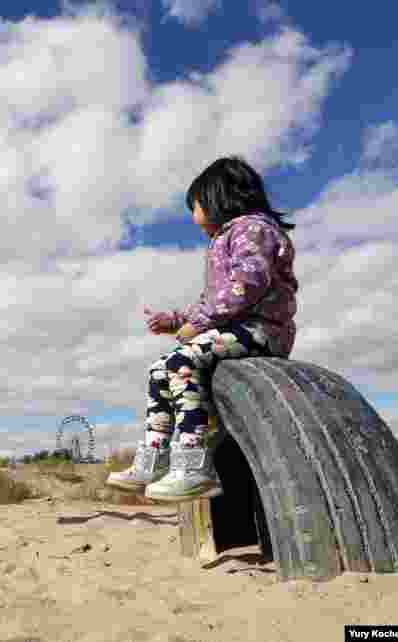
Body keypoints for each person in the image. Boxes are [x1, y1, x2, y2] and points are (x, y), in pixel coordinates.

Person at [106, 156, 299, 503]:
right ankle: (154, 459)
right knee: (159, 369)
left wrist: (199, 323)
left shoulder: (252, 229)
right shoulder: (228, 237)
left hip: (260, 329)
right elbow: (215, 299)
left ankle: (194, 464)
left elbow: (248, 283)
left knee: (182, 362)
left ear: (217, 199)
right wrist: (178, 320)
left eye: (194, 207)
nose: (194, 217)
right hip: (233, 328)